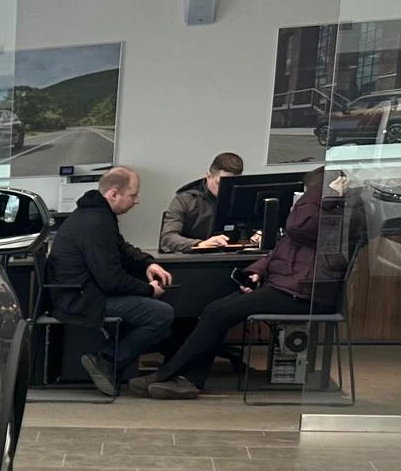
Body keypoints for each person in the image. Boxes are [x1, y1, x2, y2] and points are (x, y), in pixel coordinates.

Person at [142, 167, 344, 399]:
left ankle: (167, 376)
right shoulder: (187, 199)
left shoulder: (342, 215)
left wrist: (320, 196)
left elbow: (296, 227)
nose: (302, 200)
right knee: (214, 310)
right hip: (289, 285)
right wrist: (257, 271)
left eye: (308, 194)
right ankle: (186, 379)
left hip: (306, 293)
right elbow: (281, 248)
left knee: (218, 313)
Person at [47, 166, 175, 397]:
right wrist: (148, 290)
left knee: (151, 310)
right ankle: (107, 359)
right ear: (114, 194)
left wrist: (147, 264)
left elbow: (121, 248)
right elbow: (111, 281)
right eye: (133, 195)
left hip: (81, 293)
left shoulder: (95, 214)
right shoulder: (97, 222)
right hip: (80, 300)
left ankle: (110, 360)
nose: (136, 201)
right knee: (161, 314)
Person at [161, 152, 249, 252]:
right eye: (221, 183)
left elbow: (248, 231)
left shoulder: (242, 199)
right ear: (208, 176)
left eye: (232, 184)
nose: (226, 190)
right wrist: (199, 244)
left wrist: (257, 235)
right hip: (193, 257)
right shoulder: (185, 199)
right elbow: (168, 237)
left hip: (233, 256)